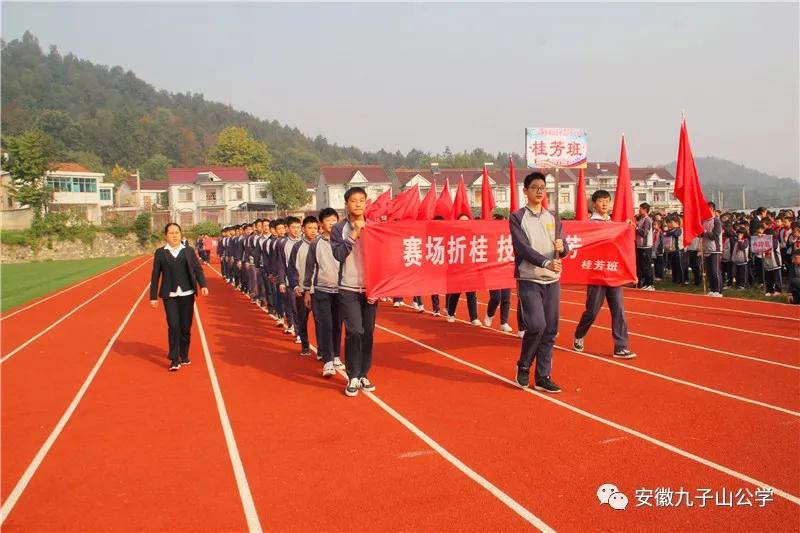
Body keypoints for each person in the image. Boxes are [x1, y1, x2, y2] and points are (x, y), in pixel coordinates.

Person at [510, 172, 569, 393]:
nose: (539, 190)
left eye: (542, 187)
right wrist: (545, 262)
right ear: (525, 191)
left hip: (552, 281)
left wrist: (563, 249)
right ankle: (524, 366)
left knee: (550, 330)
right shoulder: (517, 218)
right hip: (529, 279)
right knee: (536, 325)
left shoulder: (553, 218)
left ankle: (543, 375)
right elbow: (521, 247)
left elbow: (564, 246)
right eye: (534, 187)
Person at [573, 190, 636, 359]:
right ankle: (579, 333)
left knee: (619, 311)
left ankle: (621, 346)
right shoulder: (590, 224)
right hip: (596, 274)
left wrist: (626, 227)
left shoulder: (615, 224)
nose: (605, 204)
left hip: (613, 273)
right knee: (592, 310)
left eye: (607, 201)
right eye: (601, 201)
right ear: (594, 204)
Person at [331, 186, 378, 397]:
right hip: (348, 288)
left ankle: (364, 372)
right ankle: (352, 376)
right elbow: (339, 254)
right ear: (346, 204)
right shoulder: (339, 228)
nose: (358, 204)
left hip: (370, 289)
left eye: (362, 200)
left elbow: (381, 258)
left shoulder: (375, 227)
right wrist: (355, 233)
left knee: (367, 333)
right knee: (355, 331)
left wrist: (378, 287)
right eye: (353, 200)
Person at [149, 222, 209, 371]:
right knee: (173, 325)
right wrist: (153, 296)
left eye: (177, 233)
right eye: (171, 233)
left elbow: (197, 270)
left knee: (185, 327)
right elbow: (155, 275)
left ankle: (184, 354)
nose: (174, 236)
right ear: (166, 236)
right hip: (169, 295)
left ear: (181, 234)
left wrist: (203, 285)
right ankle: (174, 358)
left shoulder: (188, 251)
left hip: (187, 293)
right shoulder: (160, 253)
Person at [305, 207, 345, 377]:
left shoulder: (344, 241)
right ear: (321, 224)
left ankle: (336, 356)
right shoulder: (315, 244)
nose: (331, 223)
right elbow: (309, 267)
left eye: (334, 220)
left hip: (342, 290)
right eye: (328, 220)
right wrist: (307, 290)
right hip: (322, 290)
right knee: (326, 325)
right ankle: (327, 361)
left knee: (337, 325)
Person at [288, 216, 318, 355]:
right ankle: (305, 345)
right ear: (303, 229)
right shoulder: (297, 247)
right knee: (302, 319)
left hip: (319, 290)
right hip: (302, 290)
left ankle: (322, 349)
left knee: (321, 322)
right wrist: (295, 286)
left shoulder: (322, 244)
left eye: (315, 228)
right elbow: (292, 268)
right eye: (309, 228)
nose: (313, 231)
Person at [445, 213, 481, 326]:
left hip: (470, 269)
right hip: (457, 269)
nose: (464, 223)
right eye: (462, 221)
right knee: (455, 292)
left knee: (471, 292)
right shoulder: (453, 236)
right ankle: (450, 313)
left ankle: (474, 318)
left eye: (466, 221)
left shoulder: (473, 235)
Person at [485, 213, 512, 332]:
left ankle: (504, 322)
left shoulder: (509, 238)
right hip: (493, 271)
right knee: (496, 297)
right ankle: (489, 314)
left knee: (506, 297)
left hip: (506, 271)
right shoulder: (489, 238)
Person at [701, 202, 723, 297]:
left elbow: (715, 235)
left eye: (709, 209)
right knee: (709, 271)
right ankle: (712, 289)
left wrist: (705, 232)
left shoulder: (716, 221)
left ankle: (718, 290)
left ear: (713, 210)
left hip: (715, 249)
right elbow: (700, 234)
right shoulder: (704, 221)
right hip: (706, 248)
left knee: (715, 271)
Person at [635, 203, 655, 290]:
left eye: (640, 209)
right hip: (640, 246)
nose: (639, 210)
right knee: (642, 266)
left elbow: (644, 233)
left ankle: (650, 284)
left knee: (647, 266)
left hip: (646, 246)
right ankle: (646, 283)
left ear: (645, 210)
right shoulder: (641, 219)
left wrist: (636, 227)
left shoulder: (647, 220)